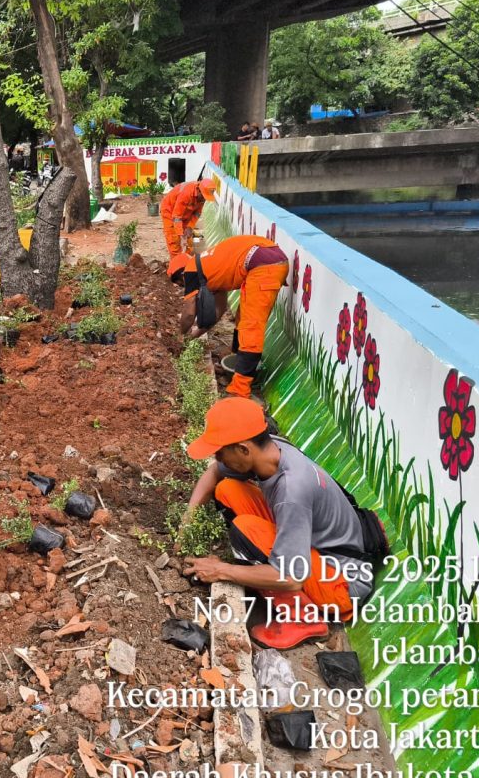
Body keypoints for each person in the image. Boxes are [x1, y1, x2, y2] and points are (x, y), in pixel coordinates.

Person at [180, 397, 377, 649]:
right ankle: (263, 567)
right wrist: (188, 521)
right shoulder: (272, 449)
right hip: (317, 551)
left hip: (341, 584)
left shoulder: (292, 491)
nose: (217, 458)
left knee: (246, 531)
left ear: (243, 449)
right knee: (228, 489)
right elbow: (215, 473)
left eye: (220, 451)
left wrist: (222, 570)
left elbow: (292, 576)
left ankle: (305, 619)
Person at [173, 234, 288, 398]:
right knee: (242, 317)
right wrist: (195, 335)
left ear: (182, 275)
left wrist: (181, 335)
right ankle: (236, 361)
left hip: (263, 266)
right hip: (267, 260)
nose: (183, 288)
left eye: (180, 284)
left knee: (251, 326)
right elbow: (218, 311)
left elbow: (190, 312)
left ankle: (240, 388)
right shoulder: (209, 269)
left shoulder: (191, 270)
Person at [159, 179, 216, 258]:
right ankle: (177, 265)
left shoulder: (201, 197)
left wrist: (190, 227)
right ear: (199, 191)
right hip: (170, 211)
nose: (204, 199)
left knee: (188, 241)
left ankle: (187, 262)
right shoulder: (186, 194)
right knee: (174, 241)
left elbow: (197, 213)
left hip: (184, 214)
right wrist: (181, 235)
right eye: (203, 196)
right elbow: (177, 217)